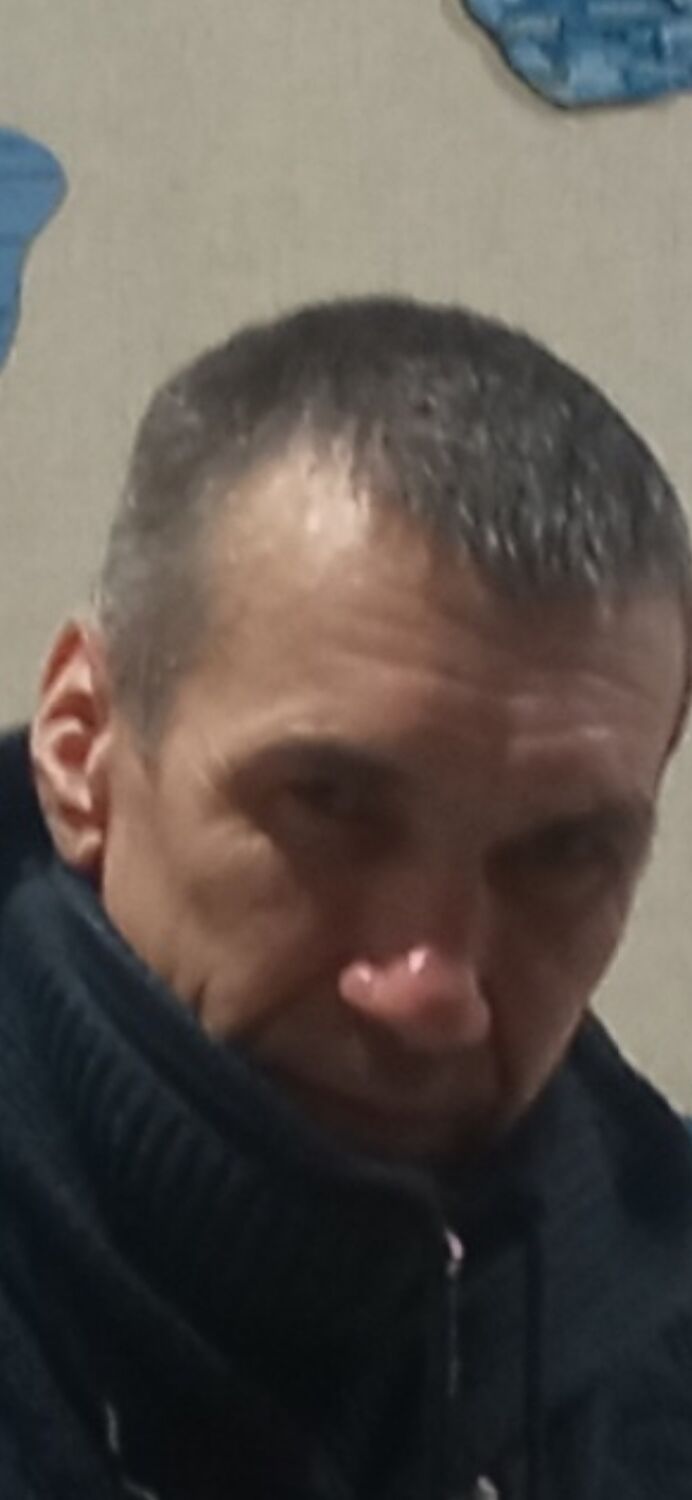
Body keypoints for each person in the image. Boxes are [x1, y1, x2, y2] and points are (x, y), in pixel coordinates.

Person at [1, 296, 692, 1500]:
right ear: (83, 749)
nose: (429, 994)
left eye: (558, 856)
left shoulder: (653, 1324)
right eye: (329, 805)